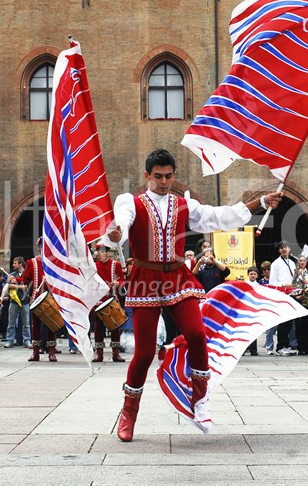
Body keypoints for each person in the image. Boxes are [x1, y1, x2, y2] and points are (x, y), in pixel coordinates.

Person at [103, 148, 283, 442]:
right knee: (144, 352)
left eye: (168, 176)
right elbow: (121, 222)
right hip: (146, 279)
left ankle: (199, 399)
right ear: (147, 175)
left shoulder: (184, 204)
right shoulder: (131, 203)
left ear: (174, 175)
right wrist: (116, 232)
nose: (164, 182)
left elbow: (217, 216)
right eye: (158, 176)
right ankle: (129, 412)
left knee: (198, 335)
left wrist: (258, 203)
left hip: (176, 277)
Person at [22, 239, 58, 362]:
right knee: (35, 326)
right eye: (42, 246)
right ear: (39, 247)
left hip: (50, 298)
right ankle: (35, 352)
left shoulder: (55, 262)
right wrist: (18, 281)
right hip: (36, 299)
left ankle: (51, 351)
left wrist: (51, 281)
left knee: (51, 325)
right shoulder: (31, 262)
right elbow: (26, 280)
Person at [92, 245, 126, 362]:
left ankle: (116, 353)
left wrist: (118, 284)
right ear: (97, 253)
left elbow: (123, 280)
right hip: (98, 300)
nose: (104, 253)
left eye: (106, 251)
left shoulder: (115, 264)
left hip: (112, 299)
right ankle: (99, 354)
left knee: (115, 326)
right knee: (98, 328)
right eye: (101, 251)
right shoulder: (93, 266)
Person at [269, 241, 298, 356]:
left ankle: (286, 345)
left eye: (286, 247)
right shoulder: (275, 264)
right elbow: (272, 282)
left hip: (292, 294)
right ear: (279, 250)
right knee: (283, 322)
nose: (284, 249)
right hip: (282, 294)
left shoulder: (292, 262)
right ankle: (280, 347)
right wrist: (284, 286)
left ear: (289, 249)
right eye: (281, 248)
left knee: (289, 323)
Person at [3, 257, 31, 349]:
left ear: (20, 264)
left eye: (15, 263)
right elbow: (9, 286)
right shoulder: (11, 275)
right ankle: (10, 340)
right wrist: (20, 286)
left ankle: (27, 340)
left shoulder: (27, 275)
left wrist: (16, 286)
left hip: (25, 301)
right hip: (14, 301)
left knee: (26, 323)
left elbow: (28, 286)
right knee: (11, 323)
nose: (13, 265)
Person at [293, 254, 308, 355]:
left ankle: (307, 347)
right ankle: (300, 347)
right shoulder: (294, 273)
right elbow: (292, 286)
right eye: (300, 261)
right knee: (298, 325)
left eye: (304, 261)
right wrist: (296, 295)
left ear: (307, 262)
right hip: (298, 299)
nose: (302, 262)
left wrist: (307, 282)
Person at [244, 266, 260, 356]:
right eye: (251, 274)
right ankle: (243, 349)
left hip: (255, 308)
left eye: (254, 274)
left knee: (254, 330)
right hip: (246, 308)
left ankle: (253, 350)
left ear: (257, 275)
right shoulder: (244, 285)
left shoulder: (259, 286)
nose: (253, 275)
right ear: (248, 274)